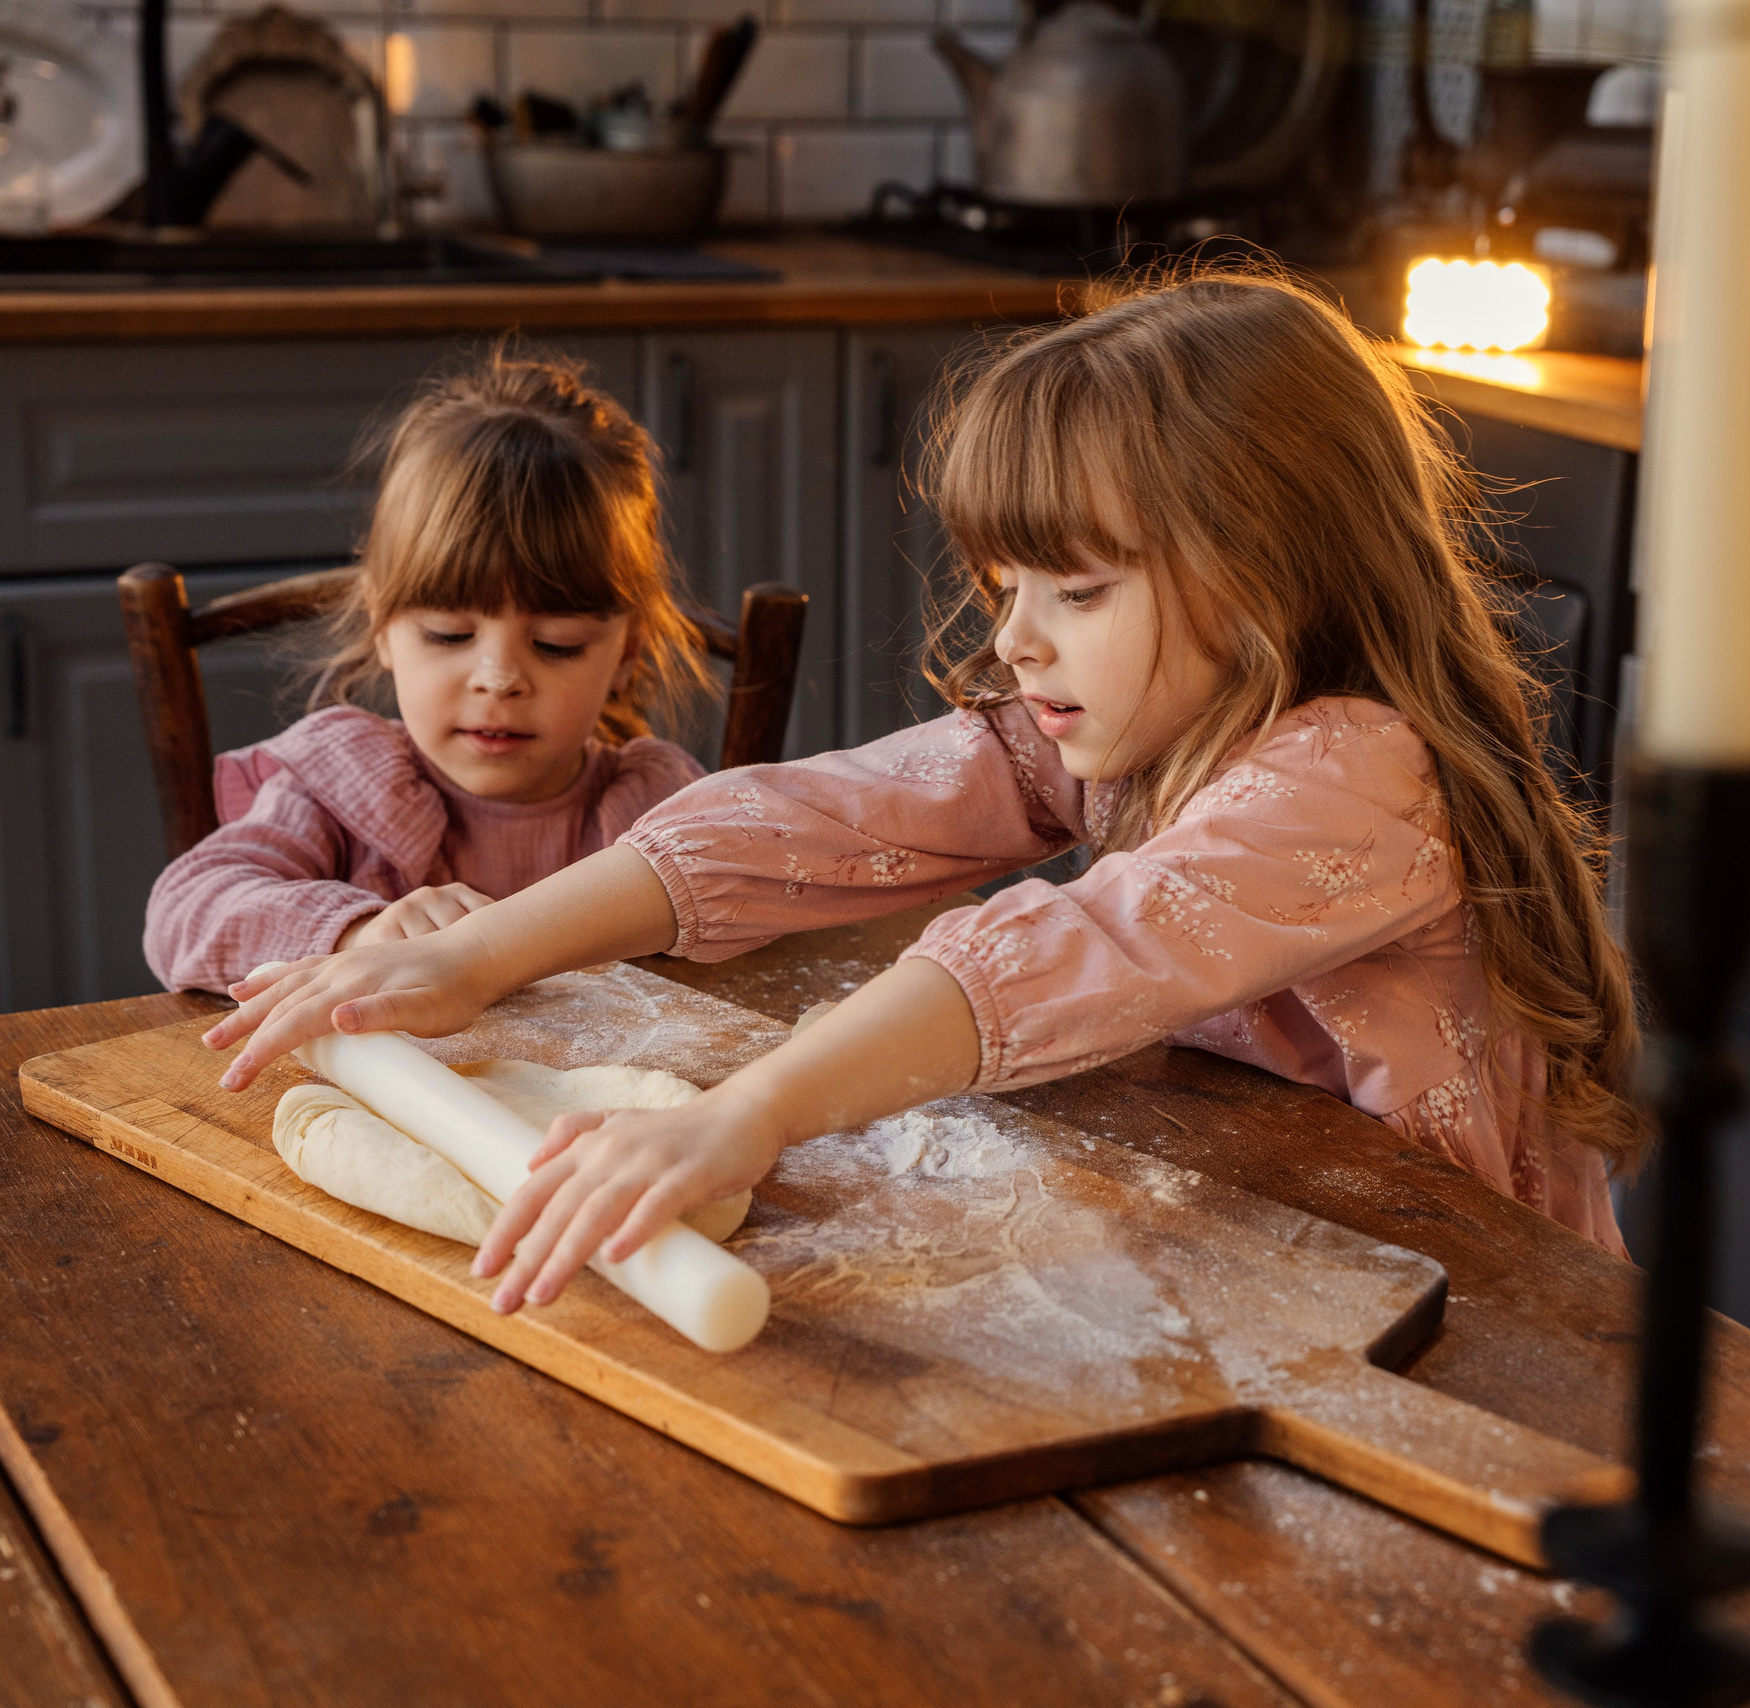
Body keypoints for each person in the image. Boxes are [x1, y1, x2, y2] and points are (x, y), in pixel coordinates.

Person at [205, 265, 1645, 1314]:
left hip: (1479, 1312)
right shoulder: (1130, 726)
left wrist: (745, 1115)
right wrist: (470, 956)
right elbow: (827, 814)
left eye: (1076, 589)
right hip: (1284, 1254)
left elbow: (1081, 944)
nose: (1017, 640)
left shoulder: (1356, 774)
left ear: (1263, 579)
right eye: (1007, 588)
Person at [142, 347, 711, 995]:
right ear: (383, 627)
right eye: (450, 634)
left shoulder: (650, 808)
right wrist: (358, 934)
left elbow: (759, 923)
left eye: (556, 644)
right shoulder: (342, 791)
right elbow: (182, 912)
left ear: (627, 653)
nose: (498, 678)